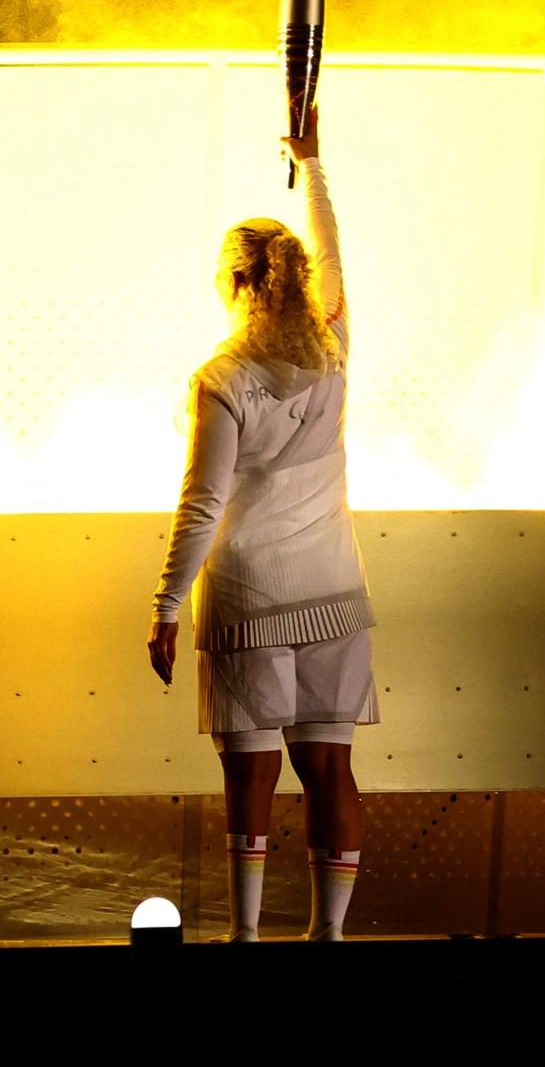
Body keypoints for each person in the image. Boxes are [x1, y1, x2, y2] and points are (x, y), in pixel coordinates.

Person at [147, 108, 368, 942]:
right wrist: (309, 164)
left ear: (233, 283)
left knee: (250, 777)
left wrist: (165, 605)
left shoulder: (223, 376)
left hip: (246, 595)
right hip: (336, 593)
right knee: (330, 769)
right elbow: (335, 258)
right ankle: (328, 936)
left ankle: (243, 940)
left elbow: (200, 502)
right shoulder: (333, 346)